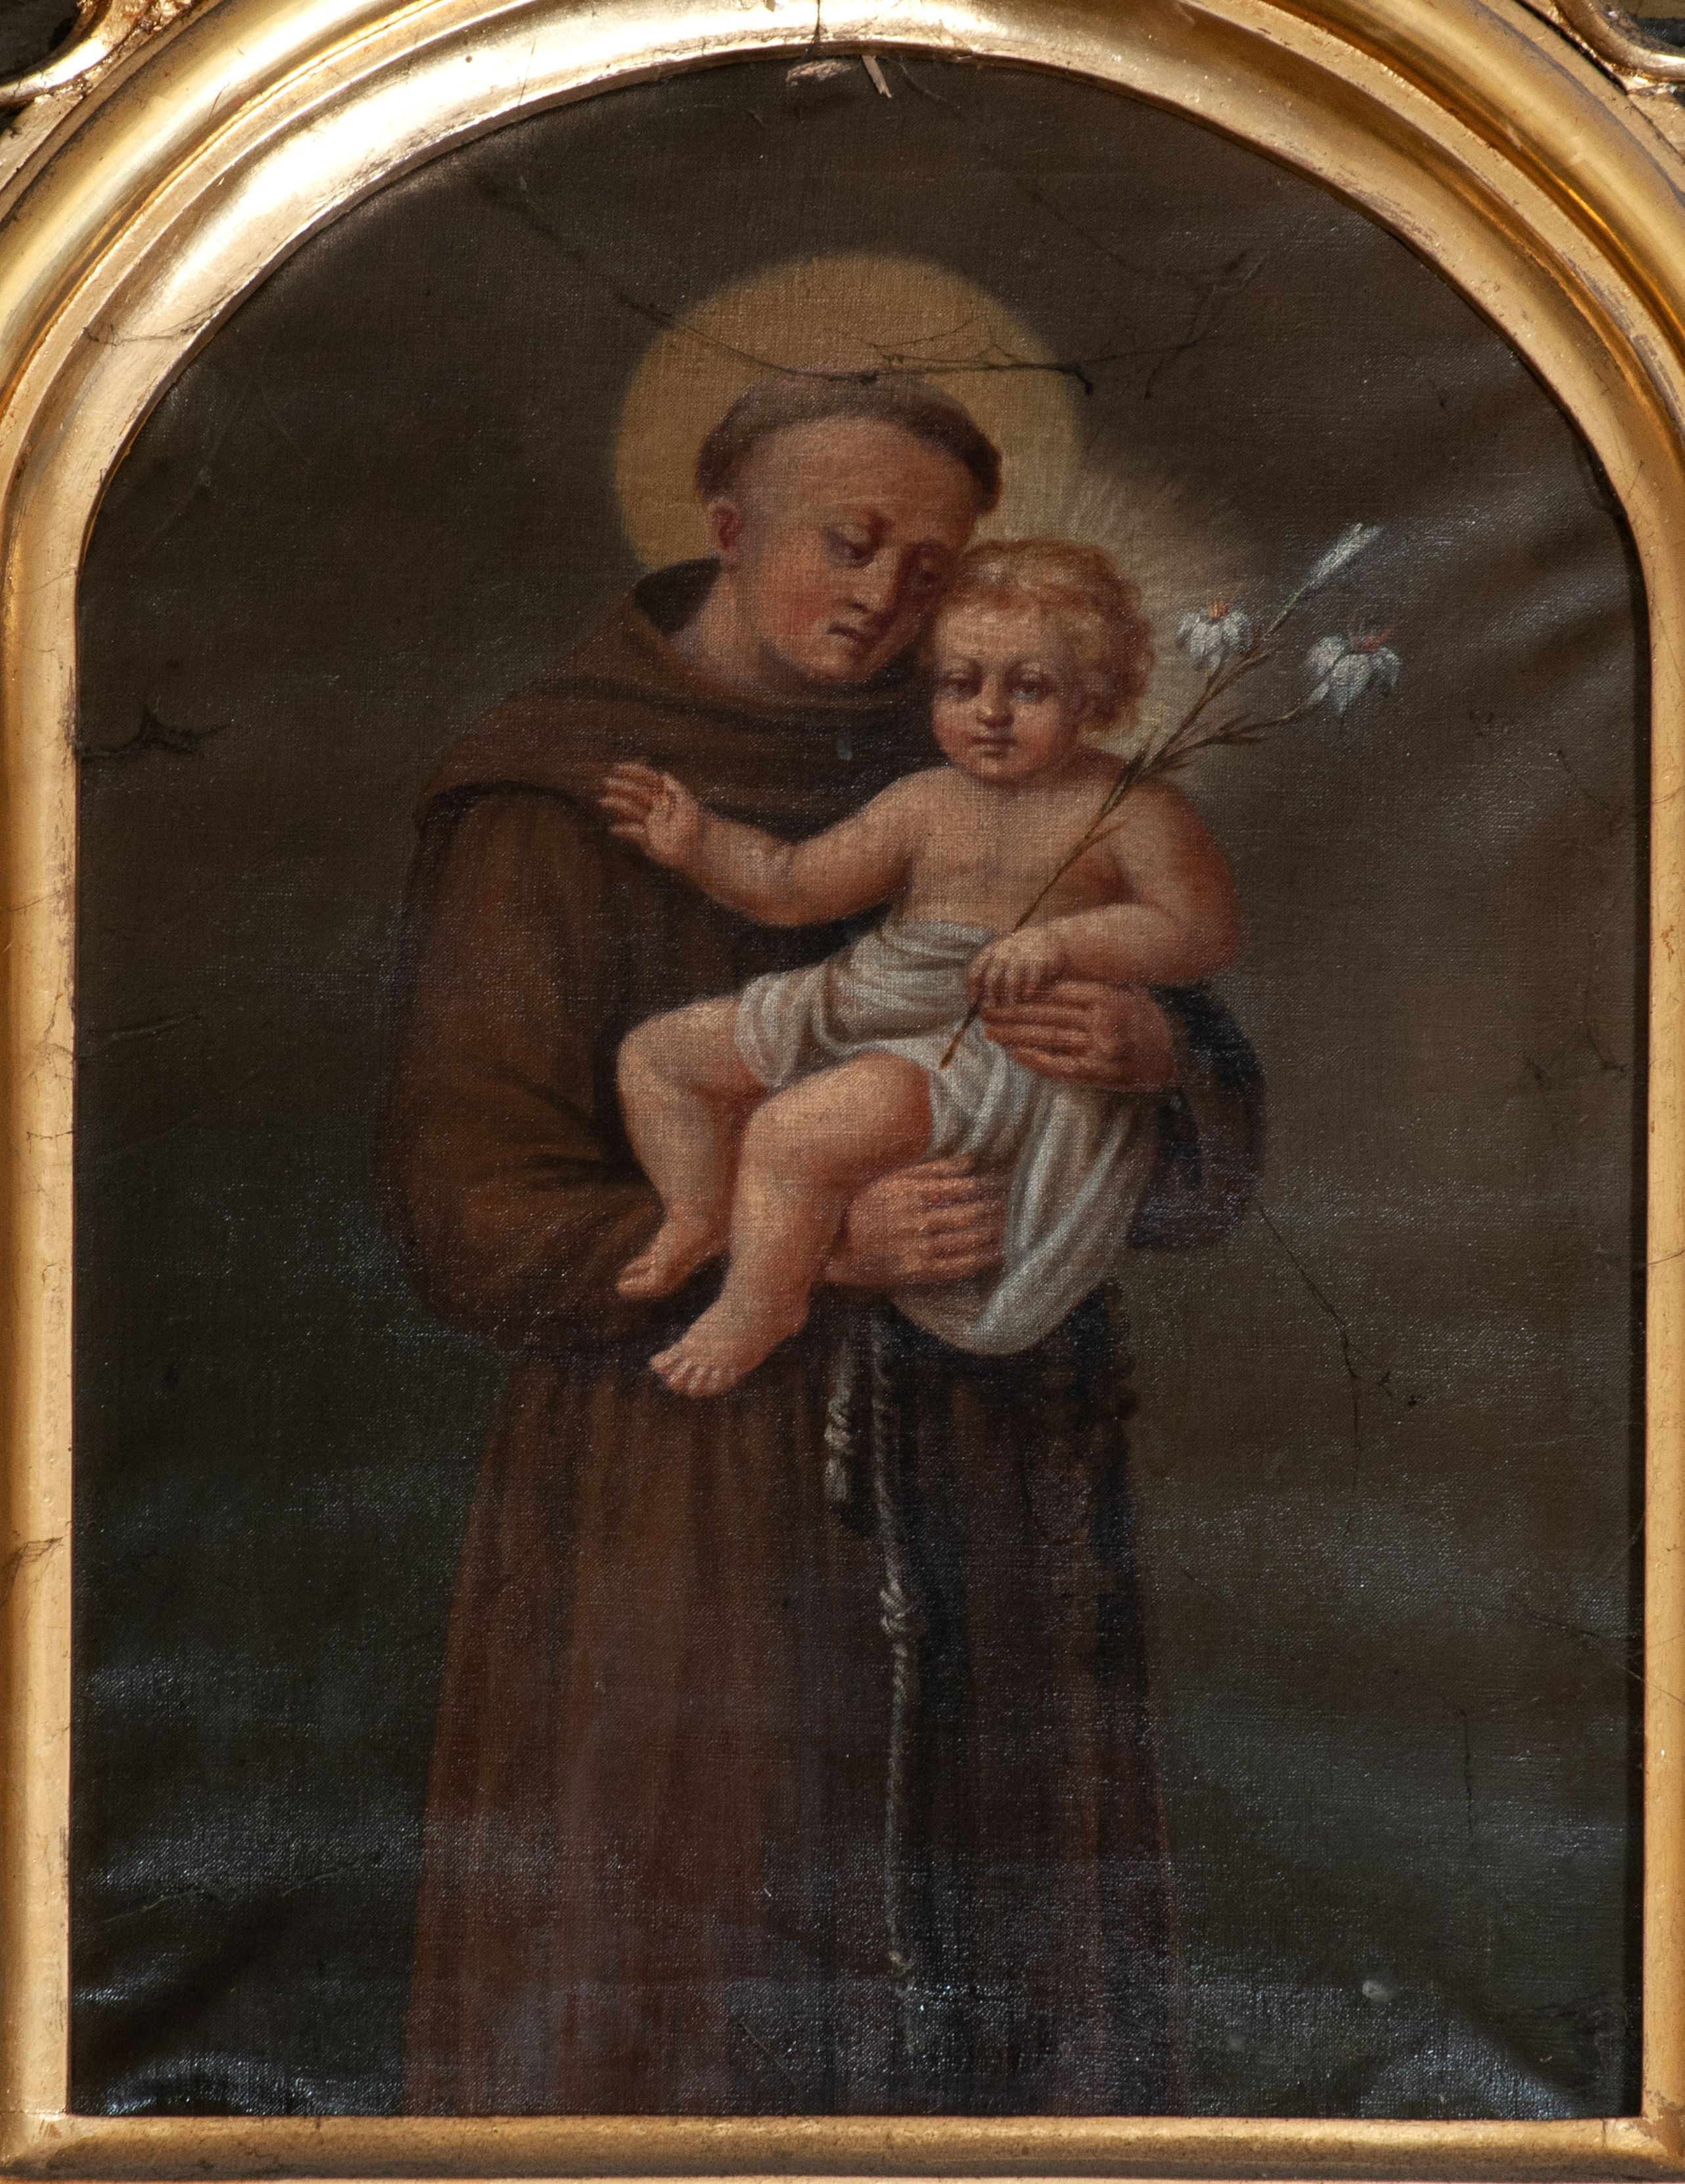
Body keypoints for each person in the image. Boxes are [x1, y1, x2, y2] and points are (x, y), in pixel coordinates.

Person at [380, 373, 1264, 2116]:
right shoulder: (547, 793)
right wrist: (795, 1250)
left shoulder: (1000, 751)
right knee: (694, 1971)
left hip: (997, 1469)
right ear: (726, 531)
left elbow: (1194, 1132)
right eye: (848, 545)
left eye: (931, 569)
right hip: (680, 1493)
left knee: (997, 1982)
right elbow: (466, 1208)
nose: (889, 602)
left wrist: (1151, 1057)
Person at [599, 539, 1241, 1394]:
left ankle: (763, 1303)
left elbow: (1199, 932)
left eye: (1029, 688)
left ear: (1094, 693)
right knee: (658, 1057)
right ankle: (696, 1214)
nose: (990, 712)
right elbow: (791, 885)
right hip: (868, 996)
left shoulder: (1132, 808)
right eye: (960, 684)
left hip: (973, 1043)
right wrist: (700, 844)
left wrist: (1064, 946)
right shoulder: (923, 802)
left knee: (793, 1133)